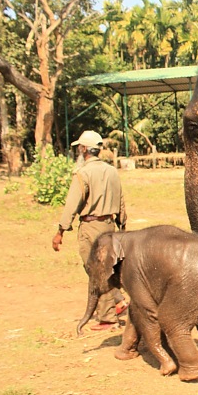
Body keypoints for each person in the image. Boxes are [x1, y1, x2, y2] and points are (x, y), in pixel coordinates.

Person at [52, 130, 128, 331]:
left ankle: (108, 317)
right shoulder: (111, 171)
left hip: (91, 226)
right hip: (110, 226)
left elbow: (72, 204)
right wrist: (122, 224)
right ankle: (118, 301)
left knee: (95, 271)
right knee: (108, 268)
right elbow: (120, 199)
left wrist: (61, 230)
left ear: (84, 149)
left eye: (80, 147)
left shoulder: (83, 173)